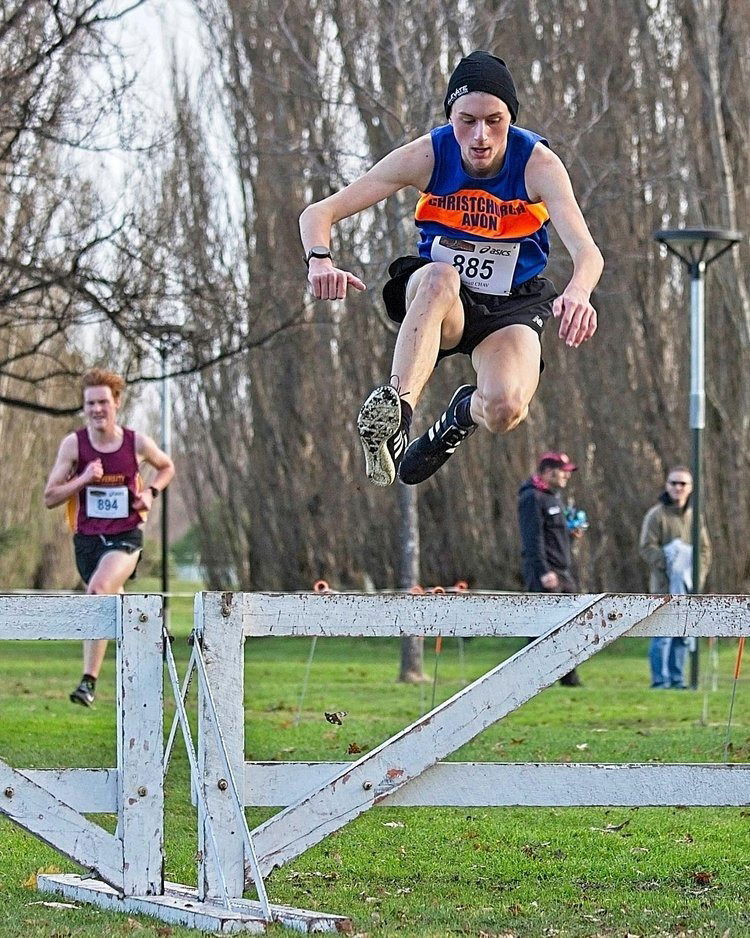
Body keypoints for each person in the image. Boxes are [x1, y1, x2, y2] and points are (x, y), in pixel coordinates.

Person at [300, 51, 603, 487]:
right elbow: (318, 213)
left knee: (504, 409)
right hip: (439, 300)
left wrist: (578, 291)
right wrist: (320, 260)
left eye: (494, 121)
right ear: (450, 116)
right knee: (442, 275)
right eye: (467, 120)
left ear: (510, 119)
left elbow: (587, 252)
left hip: (509, 307)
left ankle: (462, 413)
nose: (480, 136)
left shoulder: (538, 164)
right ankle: (396, 415)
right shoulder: (428, 154)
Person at [44, 369, 175, 707]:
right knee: (107, 600)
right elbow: (50, 497)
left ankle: (88, 681)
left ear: (117, 403)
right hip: (87, 539)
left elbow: (166, 466)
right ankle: (150, 642)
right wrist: (84, 479)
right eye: (90, 403)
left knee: (99, 589)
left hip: (126, 535)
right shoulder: (74, 445)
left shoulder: (135, 443)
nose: (97, 409)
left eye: (103, 401)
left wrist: (151, 494)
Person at [639, 466, 712, 689]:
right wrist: (670, 562)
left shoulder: (694, 517)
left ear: (690, 488)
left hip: (687, 588)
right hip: (663, 586)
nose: (677, 487)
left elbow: (705, 551)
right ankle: (660, 681)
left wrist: (692, 574)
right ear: (666, 485)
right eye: (673, 483)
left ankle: (677, 679)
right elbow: (646, 548)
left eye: (683, 484)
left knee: (682, 634)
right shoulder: (656, 515)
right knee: (662, 635)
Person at [517, 452, 584, 687]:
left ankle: (568, 678)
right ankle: (527, 679)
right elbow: (532, 539)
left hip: (562, 571)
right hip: (545, 573)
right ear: (547, 471)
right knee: (541, 627)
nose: (567, 475)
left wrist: (571, 536)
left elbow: (554, 536)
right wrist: (544, 571)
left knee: (569, 624)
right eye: (562, 470)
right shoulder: (531, 499)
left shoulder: (553, 498)